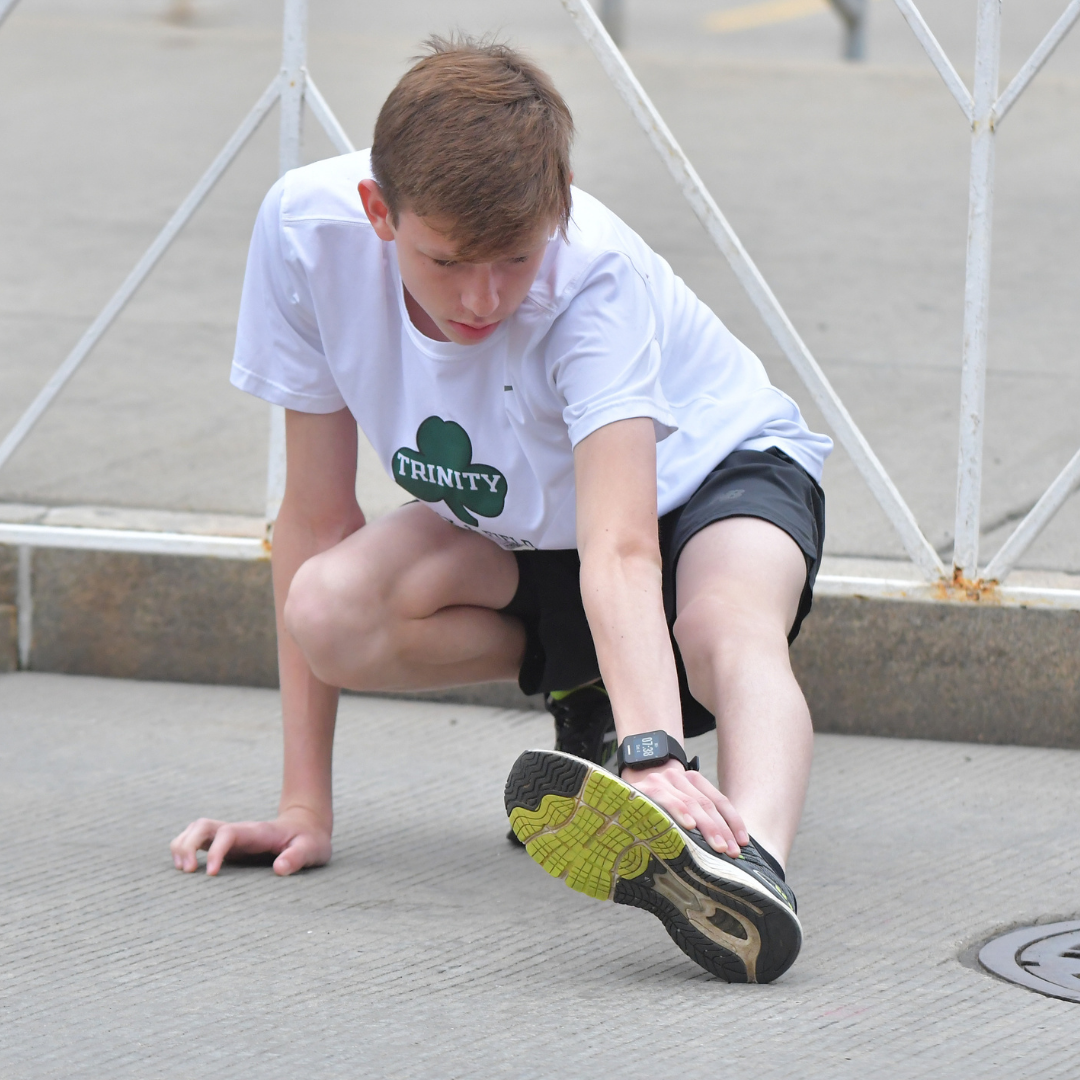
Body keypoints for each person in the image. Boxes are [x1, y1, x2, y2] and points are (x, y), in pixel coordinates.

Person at [170, 36, 831, 984]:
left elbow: (623, 544)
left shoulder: (592, 277)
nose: (482, 298)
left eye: (515, 259)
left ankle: (744, 866)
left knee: (721, 619)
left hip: (710, 477)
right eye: (446, 262)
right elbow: (315, 518)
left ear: (554, 214)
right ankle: (587, 690)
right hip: (530, 520)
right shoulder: (303, 236)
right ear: (377, 212)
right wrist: (302, 807)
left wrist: (654, 758)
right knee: (329, 607)